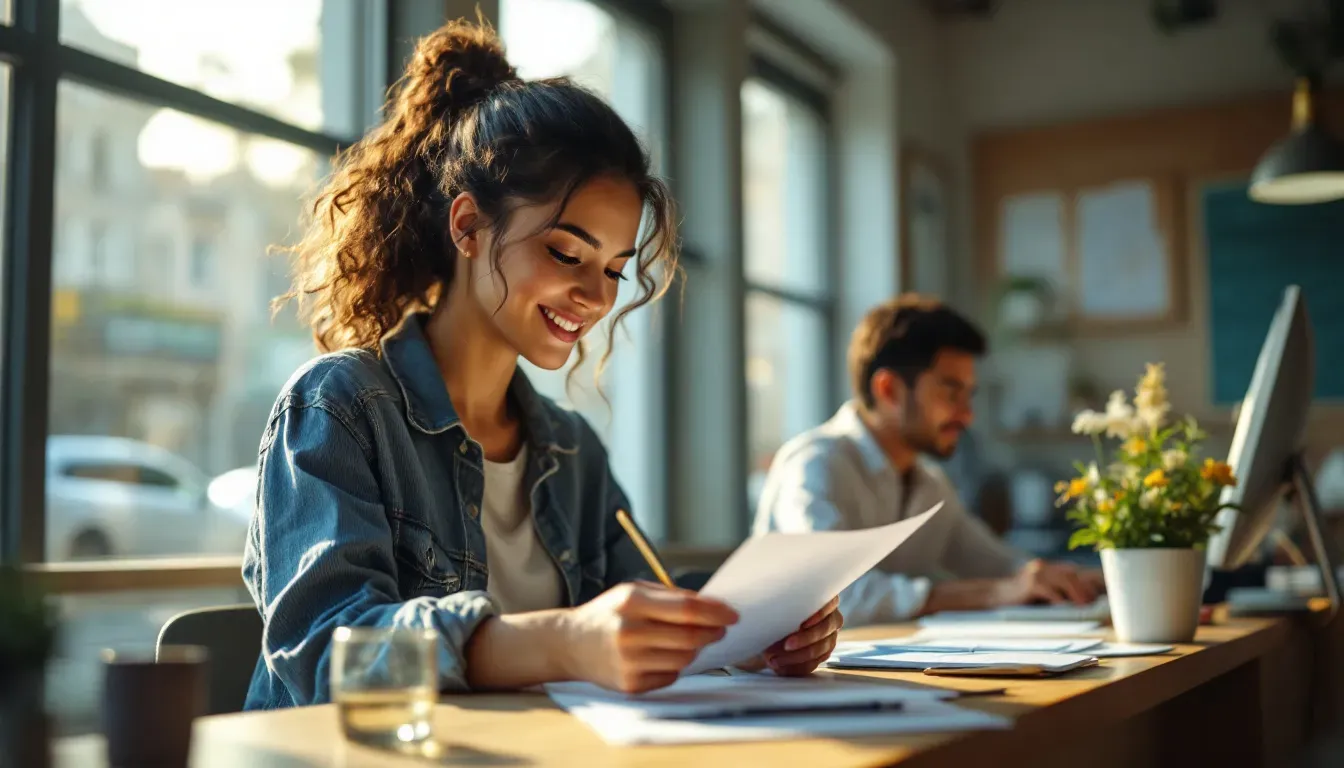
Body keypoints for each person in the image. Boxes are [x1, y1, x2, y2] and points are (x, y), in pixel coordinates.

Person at [243, 19, 842, 709]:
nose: (595, 297)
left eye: (616, 269)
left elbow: (634, 609)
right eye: (566, 253)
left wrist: (750, 631)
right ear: (467, 227)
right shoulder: (338, 408)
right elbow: (327, 651)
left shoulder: (569, 447)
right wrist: (563, 640)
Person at [752, 294, 1102, 625]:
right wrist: (999, 591)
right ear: (888, 389)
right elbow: (834, 594)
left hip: (880, 675)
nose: (967, 415)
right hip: (787, 682)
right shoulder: (815, 463)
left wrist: (1081, 578)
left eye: (969, 395)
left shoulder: (929, 483)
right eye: (951, 392)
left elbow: (1003, 565)